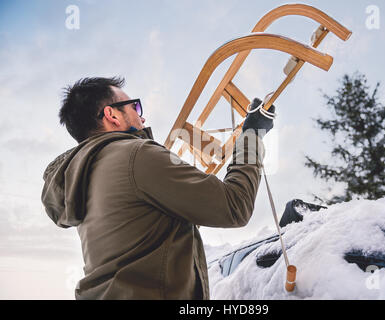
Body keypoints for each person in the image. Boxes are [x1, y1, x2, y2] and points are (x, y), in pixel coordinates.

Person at [41, 76, 275, 299]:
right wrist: (253, 134)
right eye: (135, 107)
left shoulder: (85, 176)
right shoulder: (135, 155)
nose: (142, 117)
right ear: (112, 115)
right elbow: (234, 206)